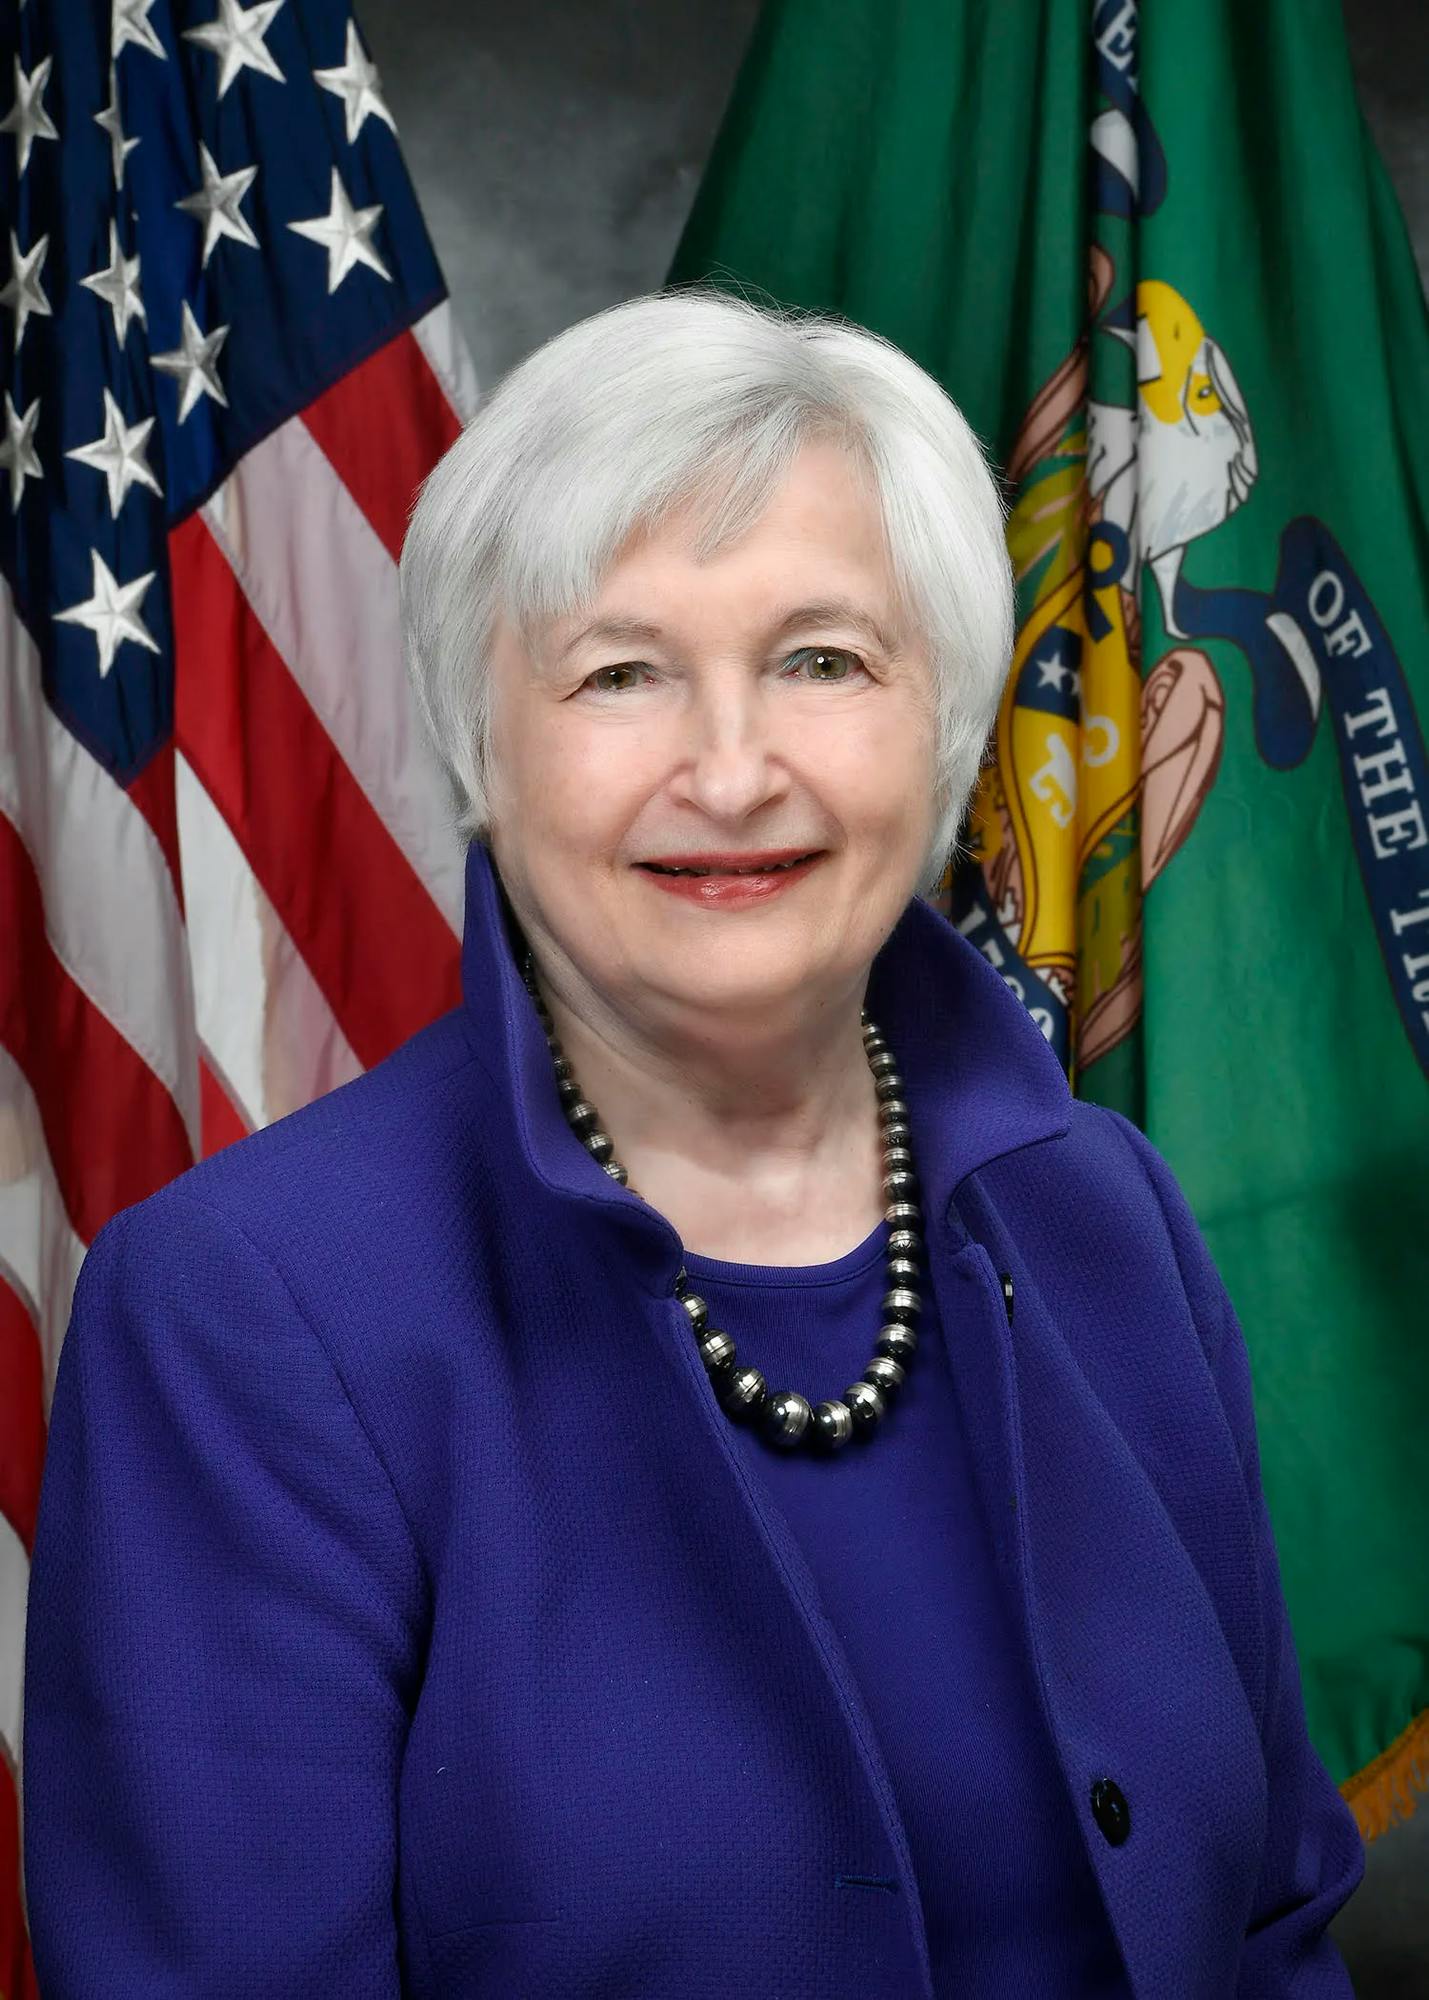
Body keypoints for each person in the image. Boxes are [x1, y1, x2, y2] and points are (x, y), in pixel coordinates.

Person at [22, 288, 1364, 1998]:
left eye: (820, 660)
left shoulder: (1101, 1218)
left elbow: (1269, 1931)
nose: (729, 771)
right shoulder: (242, 1313)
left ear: (944, 727)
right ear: (480, 748)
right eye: (620, 673)